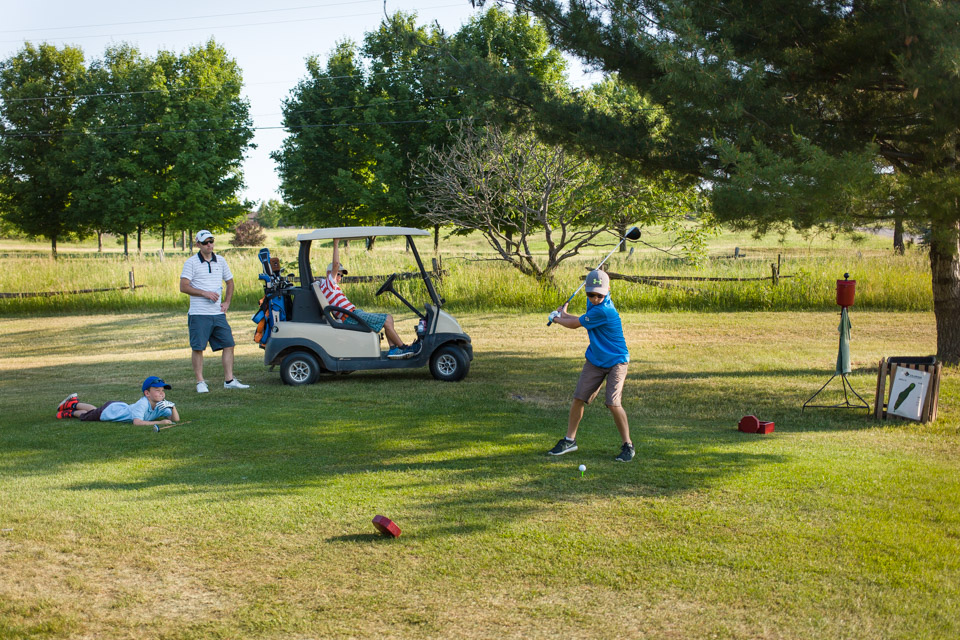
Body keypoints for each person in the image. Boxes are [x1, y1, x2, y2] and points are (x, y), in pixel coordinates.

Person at [546, 269, 634, 462]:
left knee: (612, 402)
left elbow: (575, 324)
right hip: (595, 359)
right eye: (591, 294)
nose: (594, 298)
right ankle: (570, 440)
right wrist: (565, 313)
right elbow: (581, 319)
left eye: (599, 295)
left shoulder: (605, 310)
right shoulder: (594, 304)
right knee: (579, 398)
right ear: (586, 291)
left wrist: (556, 318)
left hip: (616, 361)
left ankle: (628, 445)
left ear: (608, 291)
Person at [317, 238, 418, 359]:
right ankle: (403, 348)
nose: (339, 277)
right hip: (350, 317)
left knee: (389, 318)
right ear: (329, 273)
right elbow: (335, 264)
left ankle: (393, 349)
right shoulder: (329, 284)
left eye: (341, 275)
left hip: (353, 314)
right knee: (386, 320)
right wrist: (336, 243)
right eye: (338, 274)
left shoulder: (326, 285)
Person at [179, 230, 250, 393]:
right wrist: (204, 293)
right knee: (198, 347)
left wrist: (227, 302)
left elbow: (230, 282)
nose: (209, 245)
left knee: (229, 344)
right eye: (205, 242)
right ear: (198, 244)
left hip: (218, 314)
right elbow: (183, 287)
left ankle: (229, 380)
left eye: (211, 241)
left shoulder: (221, 261)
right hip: (199, 314)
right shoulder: (191, 263)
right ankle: (200, 382)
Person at [55, 376, 180, 426]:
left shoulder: (161, 404)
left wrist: (173, 407)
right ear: (147, 393)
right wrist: (160, 422)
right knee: (86, 415)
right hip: (110, 412)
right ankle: (71, 408)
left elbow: (176, 420)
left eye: (163, 390)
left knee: (93, 409)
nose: (161, 393)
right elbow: (137, 422)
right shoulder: (143, 404)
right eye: (157, 390)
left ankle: (74, 404)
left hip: (117, 407)